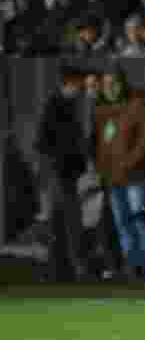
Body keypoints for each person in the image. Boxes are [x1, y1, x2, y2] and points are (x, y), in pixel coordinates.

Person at [94, 67, 145, 282]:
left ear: (123, 83)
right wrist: (103, 170)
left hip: (135, 178)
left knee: (139, 223)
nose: (110, 88)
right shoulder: (102, 111)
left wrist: (127, 164)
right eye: (106, 84)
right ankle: (134, 269)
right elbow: (99, 146)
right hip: (113, 180)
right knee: (123, 226)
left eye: (114, 83)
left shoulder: (139, 106)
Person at [35, 66, 88, 282]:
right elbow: (45, 141)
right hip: (60, 172)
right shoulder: (57, 105)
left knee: (61, 221)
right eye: (78, 82)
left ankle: (60, 269)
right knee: (66, 221)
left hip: (64, 172)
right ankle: (68, 269)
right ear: (70, 82)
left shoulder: (66, 104)